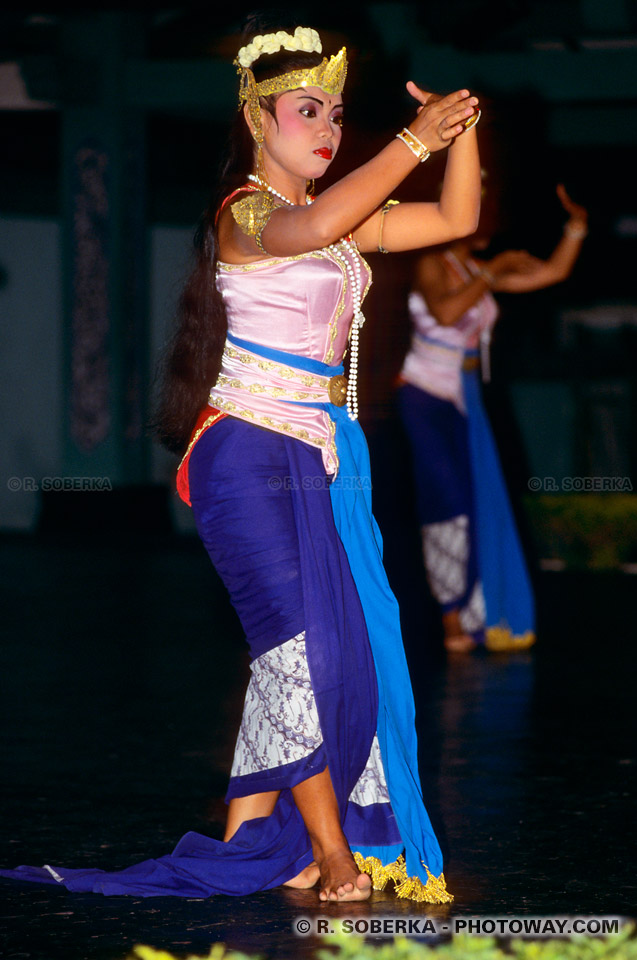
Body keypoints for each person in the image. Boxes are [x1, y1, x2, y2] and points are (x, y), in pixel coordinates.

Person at [1, 19, 482, 902]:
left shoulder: (339, 230)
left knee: (326, 650)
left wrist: (462, 129)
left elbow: (457, 217)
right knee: (302, 650)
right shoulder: (250, 214)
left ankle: (251, 837)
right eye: (308, 111)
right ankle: (332, 852)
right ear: (259, 120)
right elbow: (319, 222)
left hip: (316, 458)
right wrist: (411, 139)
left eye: (337, 112)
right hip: (245, 456)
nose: (329, 129)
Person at [397, 183, 588, 653]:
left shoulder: (475, 267)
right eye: (476, 211)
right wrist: (494, 272)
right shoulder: (430, 263)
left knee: (477, 499)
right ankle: (450, 619)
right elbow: (444, 312)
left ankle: (478, 611)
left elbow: (553, 273)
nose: (486, 220)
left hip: (464, 397)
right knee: (448, 501)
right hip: (423, 395)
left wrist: (576, 227)